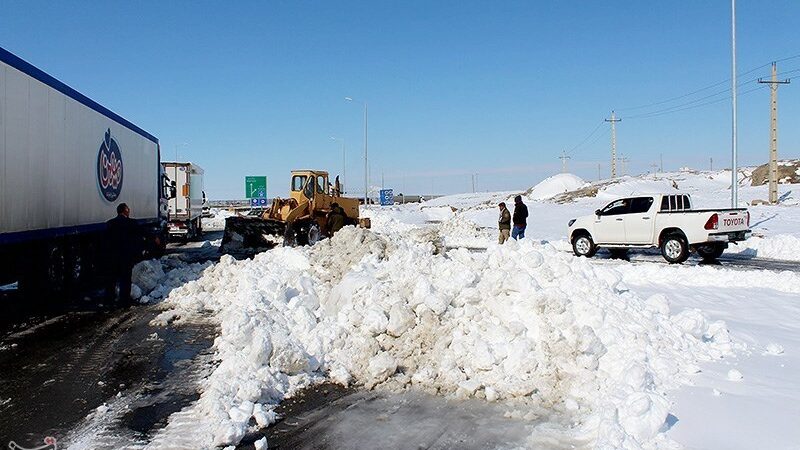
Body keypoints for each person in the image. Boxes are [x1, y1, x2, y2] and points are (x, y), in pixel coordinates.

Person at [105, 203, 143, 304]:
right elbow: (141, 233)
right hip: (126, 256)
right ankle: (124, 300)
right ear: (125, 211)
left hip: (113, 256)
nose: (129, 210)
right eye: (128, 209)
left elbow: (105, 241)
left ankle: (109, 299)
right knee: (125, 279)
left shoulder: (110, 223)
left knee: (111, 279)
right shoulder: (132, 223)